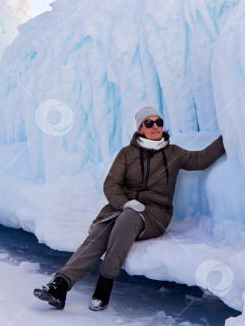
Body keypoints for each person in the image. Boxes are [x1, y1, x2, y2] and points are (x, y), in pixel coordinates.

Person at [33, 106, 226, 311]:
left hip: (155, 214)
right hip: (121, 209)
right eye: (149, 123)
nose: (155, 127)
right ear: (140, 128)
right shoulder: (126, 154)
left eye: (158, 122)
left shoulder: (173, 153)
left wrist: (228, 136)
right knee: (99, 232)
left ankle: (104, 287)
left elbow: (201, 159)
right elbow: (111, 184)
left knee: (128, 219)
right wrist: (124, 203)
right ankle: (60, 286)